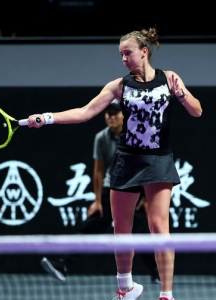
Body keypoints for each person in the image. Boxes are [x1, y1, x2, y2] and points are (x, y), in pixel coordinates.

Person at [27, 27, 202, 300]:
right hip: (126, 160)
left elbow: (197, 112)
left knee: (159, 227)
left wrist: (181, 93)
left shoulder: (169, 79)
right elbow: (84, 112)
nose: (123, 58)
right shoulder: (119, 86)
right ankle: (127, 289)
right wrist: (47, 117)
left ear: (144, 51)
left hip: (159, 159)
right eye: (120, 54)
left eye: (128, 52)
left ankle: (166, 299)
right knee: (121, 229)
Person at [40, 99, 160, 285]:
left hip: (134, 191)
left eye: (115, 113)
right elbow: (98, 170)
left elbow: (148, 166)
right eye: (108, 113)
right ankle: (63, 263)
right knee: (90, 228)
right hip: (111, 191)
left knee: (141, 231)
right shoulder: (101, 138)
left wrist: (144, 196)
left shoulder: (138, 136)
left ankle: (157, 273)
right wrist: (97, 200)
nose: (111, 117)